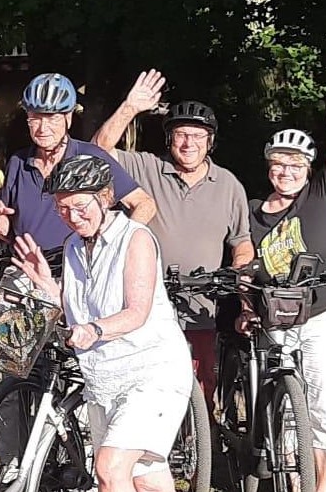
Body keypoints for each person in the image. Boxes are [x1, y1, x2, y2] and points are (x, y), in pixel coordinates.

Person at [11, 155, 227, 492]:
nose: (72, 215)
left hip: (151, 373)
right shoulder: (74, 247)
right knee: (151, 486)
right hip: (104, 378)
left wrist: (95, 330)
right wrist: (46, 283)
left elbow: (136, 311)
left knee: (110, 469)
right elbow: (76, 309)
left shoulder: (136, 238)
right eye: (63, 207)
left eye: (81, 206)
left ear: (106, 198)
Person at [92, 71, 254, 405]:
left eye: (197, 136)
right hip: (148, 302)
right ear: (169, 139)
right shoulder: (148, 167)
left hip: (201, 306)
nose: (188, 143)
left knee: (201, 390)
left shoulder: (228, 185)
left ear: (210, 141)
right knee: (149, 388)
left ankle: (205, 438)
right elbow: (99, 151)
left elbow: (241, 242)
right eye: (181, 134)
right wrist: (130, 107)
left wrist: (240, 278)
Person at [247, 55, 326, 492]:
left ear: (308, 168)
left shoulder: (324, 191)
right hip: (279, 314)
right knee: (288, 404)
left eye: (295, 164)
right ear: (268, 168)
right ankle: (291, 483)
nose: (286, 171)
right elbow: (245, 264)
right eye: (278, 164)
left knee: (323, 400)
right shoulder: (254, 212)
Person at [0, 73, 156, 262]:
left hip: (80, 269)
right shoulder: (18, 162)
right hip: (28, 270)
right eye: (35, 119)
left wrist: (118, 246)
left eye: (52, 119)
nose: (42, 128)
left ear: (69, 118)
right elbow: (11, 229)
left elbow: (144, 204)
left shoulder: (89, 156)